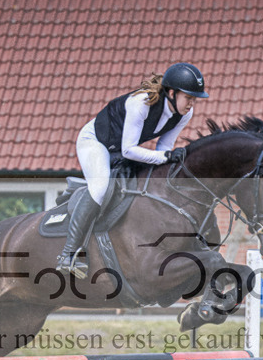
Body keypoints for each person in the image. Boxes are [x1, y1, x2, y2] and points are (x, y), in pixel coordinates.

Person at [57, 62, 209, 278]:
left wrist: (168, 162)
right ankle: (69, 253)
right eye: (189, 97)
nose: (192, 103)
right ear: (172, 93)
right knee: (101, 187)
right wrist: (166, 157)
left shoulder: (184, 114)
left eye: (195, 99)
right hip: (96, 142)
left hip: (120, 150)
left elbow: (164, 148)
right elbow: (130, 150)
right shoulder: (141, 104)